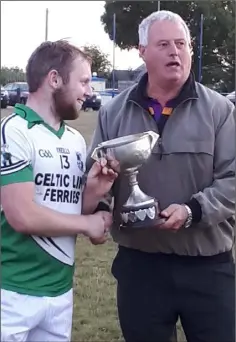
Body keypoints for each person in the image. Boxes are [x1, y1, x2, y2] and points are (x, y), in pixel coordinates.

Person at [87, 10, 235, 342]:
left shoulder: (220, 111)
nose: (175, 52)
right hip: (140, 267)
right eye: (164, 44)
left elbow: (232, 178)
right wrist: (99, 212)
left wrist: (193, 211)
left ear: (191, 50)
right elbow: (98, 175)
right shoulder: (113, 112)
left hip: (207, 265)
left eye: (181, 44)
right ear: (142, 51)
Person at [1, 40, 118, 342]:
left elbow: (69, 210)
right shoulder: (13, 131)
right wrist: (87, 224)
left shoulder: (76, 141)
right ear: (54, 80)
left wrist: (94, 192)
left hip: (60, 292)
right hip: (12, 293)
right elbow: (23, 216)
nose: (89, 91)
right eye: (83, 81)